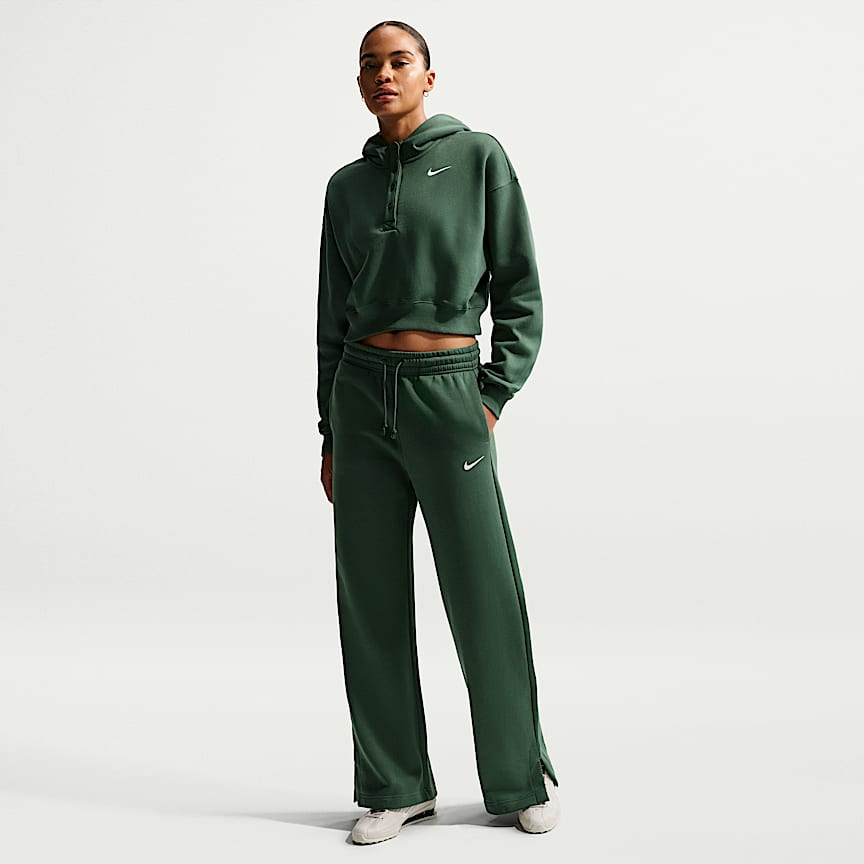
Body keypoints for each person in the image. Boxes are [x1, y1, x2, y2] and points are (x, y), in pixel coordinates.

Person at [316, 20, 561, 845]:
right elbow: (330, 317)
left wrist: (490, 395)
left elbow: (521, 289)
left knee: (483, 589)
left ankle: (519, 776)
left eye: (399, 61)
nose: (383, 74)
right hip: (361, 397)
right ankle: (395, 785)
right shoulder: (345, 188)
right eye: (369, 65)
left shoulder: (479, 158)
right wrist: (330, 432)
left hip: (449, 391)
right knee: (370, 597)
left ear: (428, 75)